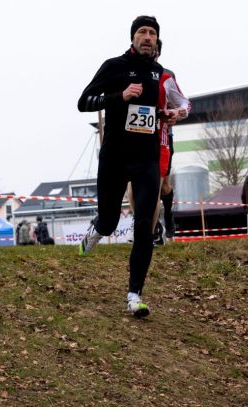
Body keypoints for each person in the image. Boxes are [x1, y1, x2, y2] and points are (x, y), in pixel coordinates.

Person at [77, 16, 169, 318]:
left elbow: (162, 109)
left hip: (146, 159)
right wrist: (120, 96)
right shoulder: (114, 66)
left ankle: (134, 295)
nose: (147, 37)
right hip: (115, 156)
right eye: (142, 32)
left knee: (145, 226)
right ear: (133, 38)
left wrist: (169, 115)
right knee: (110, 221)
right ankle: (97, 229)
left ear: (156, 40)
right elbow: (84, 102)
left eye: (152, 33)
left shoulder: (160, 74)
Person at [127, 38, 191, 246]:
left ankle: (165, 219)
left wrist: (175, 113)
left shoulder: (166, 75)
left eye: (153, 50)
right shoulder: (129, 72)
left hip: (162, 138)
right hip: (135, 139)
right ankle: (147, 228)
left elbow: (183, 103)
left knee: (162, 186)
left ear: (158, 53)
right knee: (132, 188)